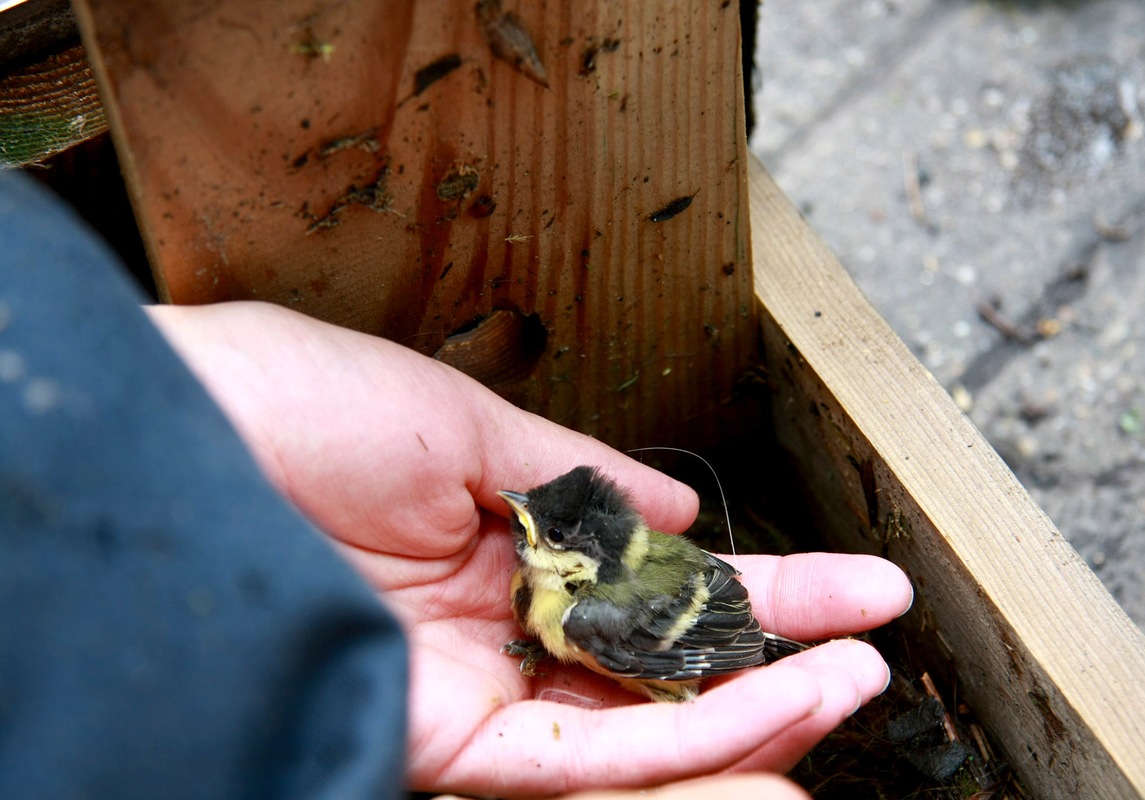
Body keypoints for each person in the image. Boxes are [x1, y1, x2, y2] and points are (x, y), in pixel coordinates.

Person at [0, 170, 912, 799]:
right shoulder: (538, 597)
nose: (520, 528)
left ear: (588, 562)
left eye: (543, 536)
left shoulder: (596, 618)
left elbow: (709, 621)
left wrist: (750, 644)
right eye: (530, 523)